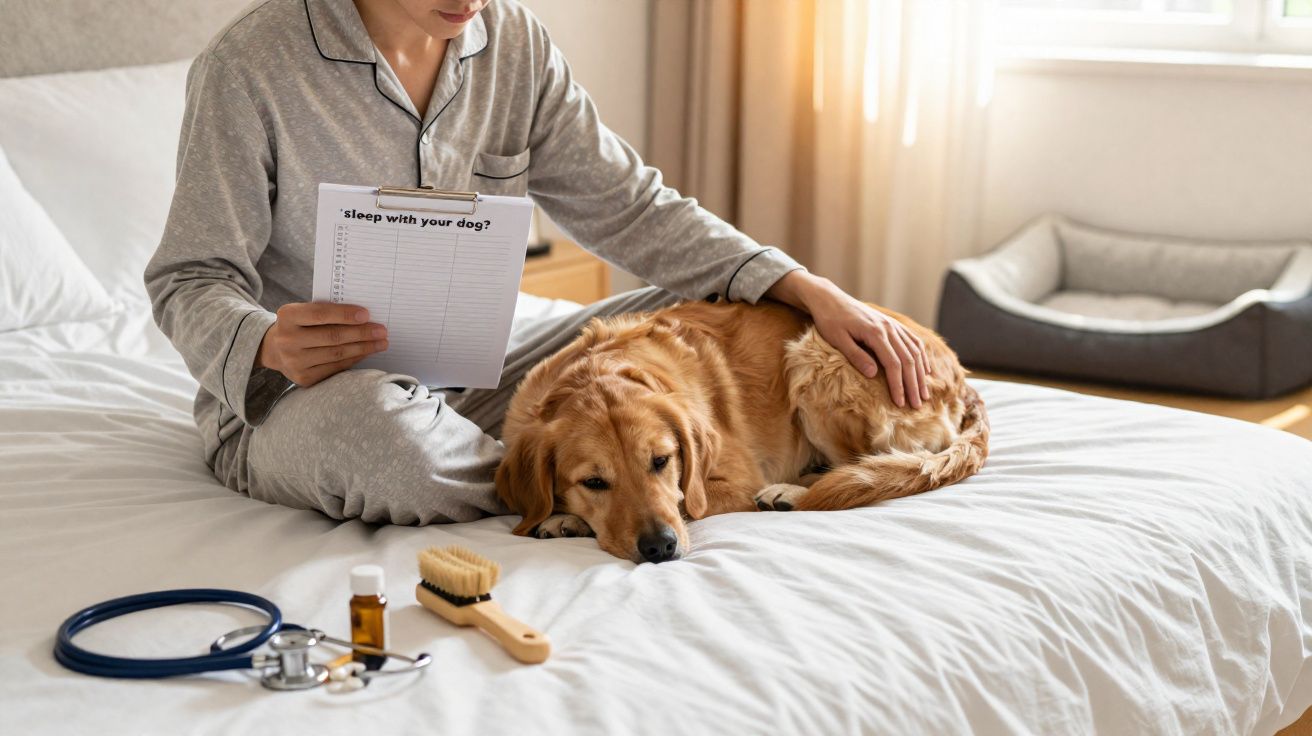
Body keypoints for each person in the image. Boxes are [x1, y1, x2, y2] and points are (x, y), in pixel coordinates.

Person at [144, 0, 931, 526]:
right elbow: (188, 277)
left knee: (709, 308)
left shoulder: (514, 44)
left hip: (483, 378)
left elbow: (632, 206)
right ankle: (599, 485)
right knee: (385, 439)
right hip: (302, 399)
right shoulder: (249, 66)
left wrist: (805, 286)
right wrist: (265, 339)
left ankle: (594, 473)